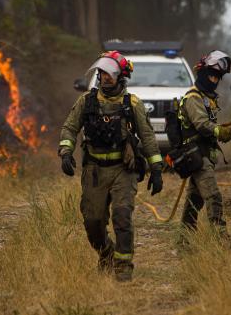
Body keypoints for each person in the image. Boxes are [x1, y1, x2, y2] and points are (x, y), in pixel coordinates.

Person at [58, 51, 163, 282]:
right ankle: (106, 254)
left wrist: (156, 169)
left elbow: (148, 137)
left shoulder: (132, 103)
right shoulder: (86, 101)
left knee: (122, 215)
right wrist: (65, 152)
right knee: (93, 222)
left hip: (122, 170)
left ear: (121, 76)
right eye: (102, 73)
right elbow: (69, 128)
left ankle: (123, 267)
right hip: (94, 170)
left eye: (111, 74)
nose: (105, 77)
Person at [178, 50, 231, 235]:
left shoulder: (206, 98)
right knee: (213, 196)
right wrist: (228, 132)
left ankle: (184, 240)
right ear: (202, 73)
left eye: (217, 78)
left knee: (195, 199)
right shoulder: (193, 98)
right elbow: (202, 125)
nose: (214, 81)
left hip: (203, 154)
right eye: (211, 76)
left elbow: (211, 125)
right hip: (196, 155)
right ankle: (221, 237)